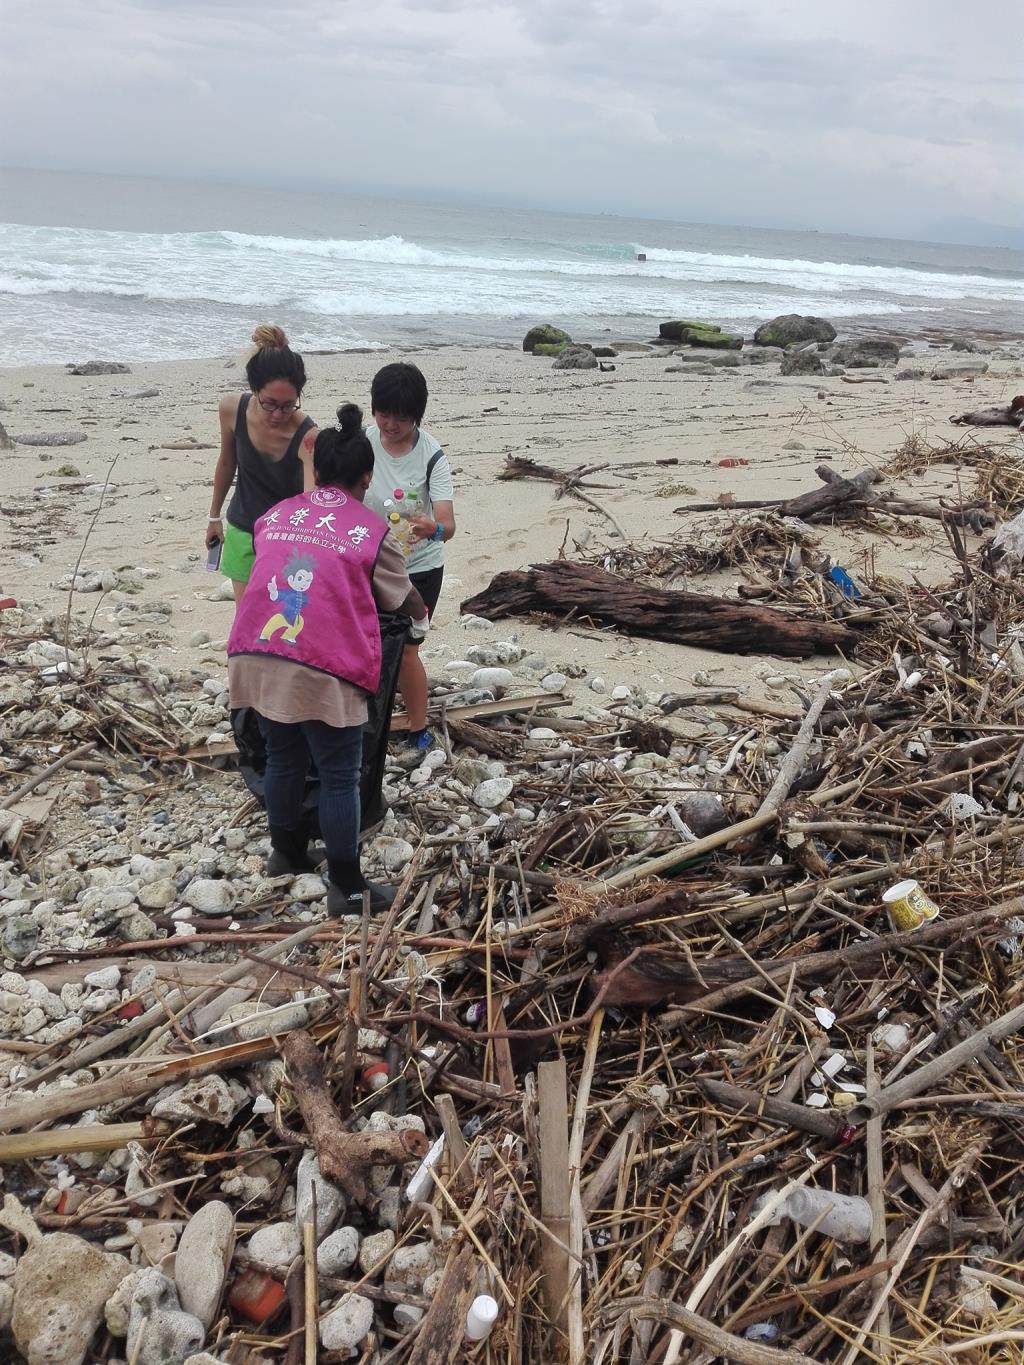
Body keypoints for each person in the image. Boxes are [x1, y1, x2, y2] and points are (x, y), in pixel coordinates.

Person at [227, 404, 428, 913]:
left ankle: (286, 854)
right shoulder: (368, 529)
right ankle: (347, 885)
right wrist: (419, 609)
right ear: (366, 476)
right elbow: (398, 597)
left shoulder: (276, 514)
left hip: (255, 651)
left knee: (284, 755)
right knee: (341, 772)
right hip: (320, 663)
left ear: (316, 471)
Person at [364, 362, 455, 751]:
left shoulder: (432, 456)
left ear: (416, 416)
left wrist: (429, 526)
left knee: (405, 652)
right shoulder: (363, 443)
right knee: (366, 647)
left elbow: (448, 525)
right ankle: (366, 721)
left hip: (419, 571)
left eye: (400, 418)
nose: (389, 424)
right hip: (368, 566)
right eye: (383, 413)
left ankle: (418, 726)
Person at [207, 324, 318, 602]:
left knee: (282, 616)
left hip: (286, 537)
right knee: (247, 617)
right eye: (270, 403)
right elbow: (226, 463)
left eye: (288, 405)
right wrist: (213, 518)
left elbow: (310, 499)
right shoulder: (232, 409)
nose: (279, 413)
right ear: (254, 389)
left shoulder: (307, 435)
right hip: (243, 528)